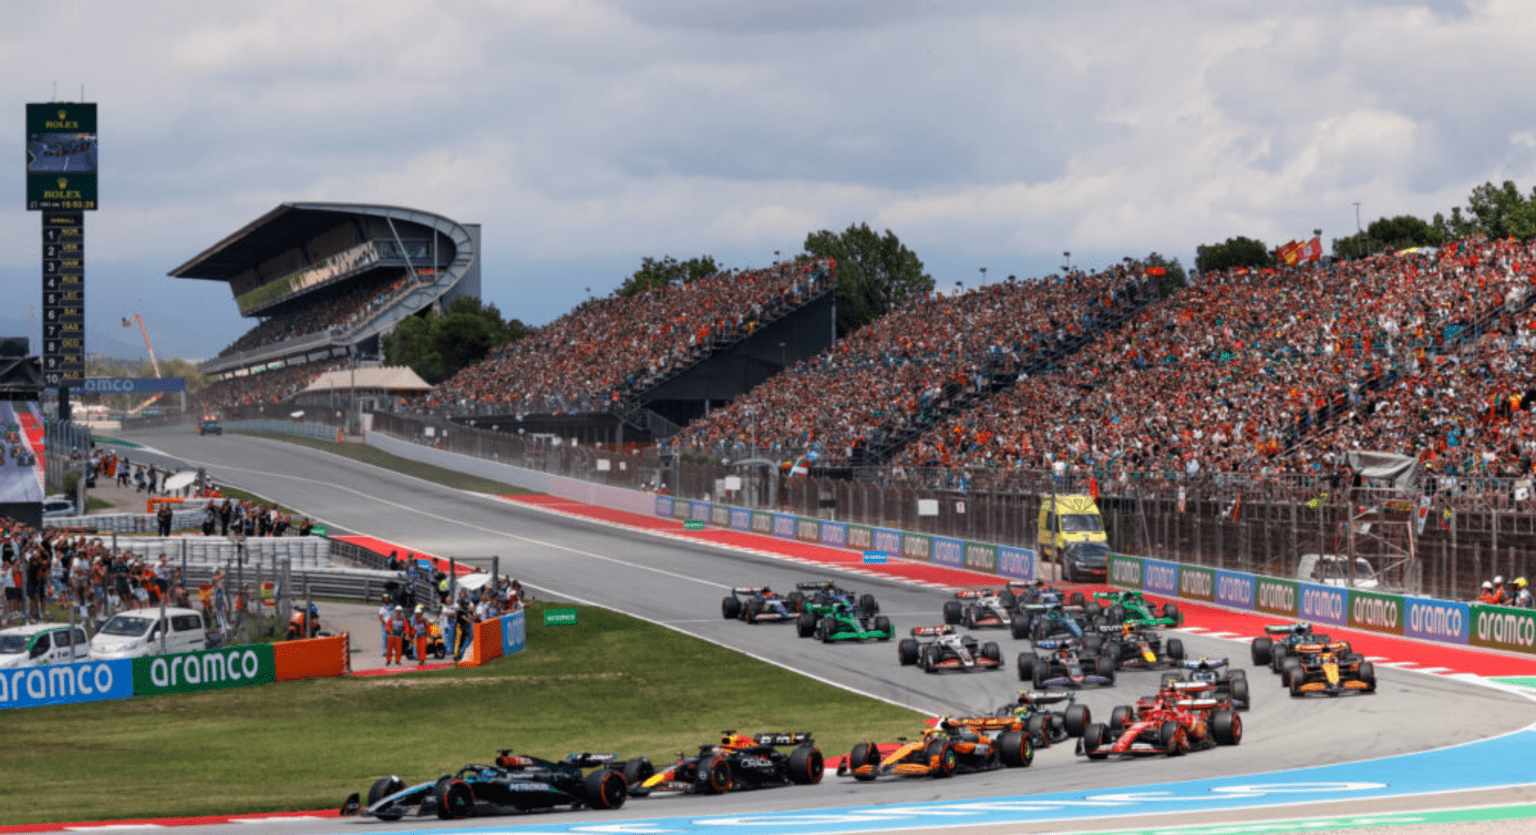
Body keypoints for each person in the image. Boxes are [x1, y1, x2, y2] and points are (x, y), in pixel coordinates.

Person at [376, 593, 393, 659]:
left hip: (391, 625)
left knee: (390, 638)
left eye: (387, 598)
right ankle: (384, 652)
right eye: (385, 599)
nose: (386, 600)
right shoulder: (382, 608)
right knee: (385, 638)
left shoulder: (392, 607)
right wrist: (383, 621)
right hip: (385, 625)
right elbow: (380, 615)